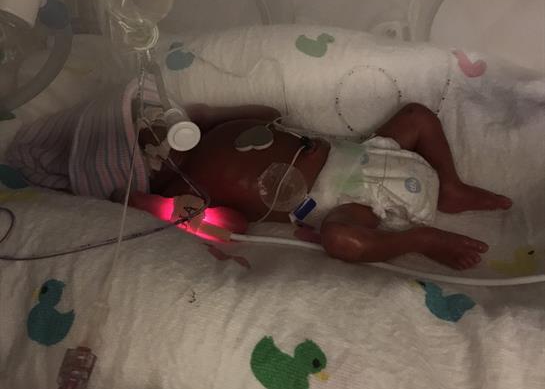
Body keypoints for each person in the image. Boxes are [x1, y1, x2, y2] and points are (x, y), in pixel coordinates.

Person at [7, 88, 512, 270]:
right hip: (345, 201)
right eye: (145, 149)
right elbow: (230, 226)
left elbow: (271, 113)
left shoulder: (209, 129)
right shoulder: (187, 192)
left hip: (367, 149)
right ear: (143, 178)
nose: (156, 139)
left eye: (149, 128)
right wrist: (154, 207)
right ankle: (419, 239)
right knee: (342, 241)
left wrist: (211, 114)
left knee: (418, 115)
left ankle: (451, 185)